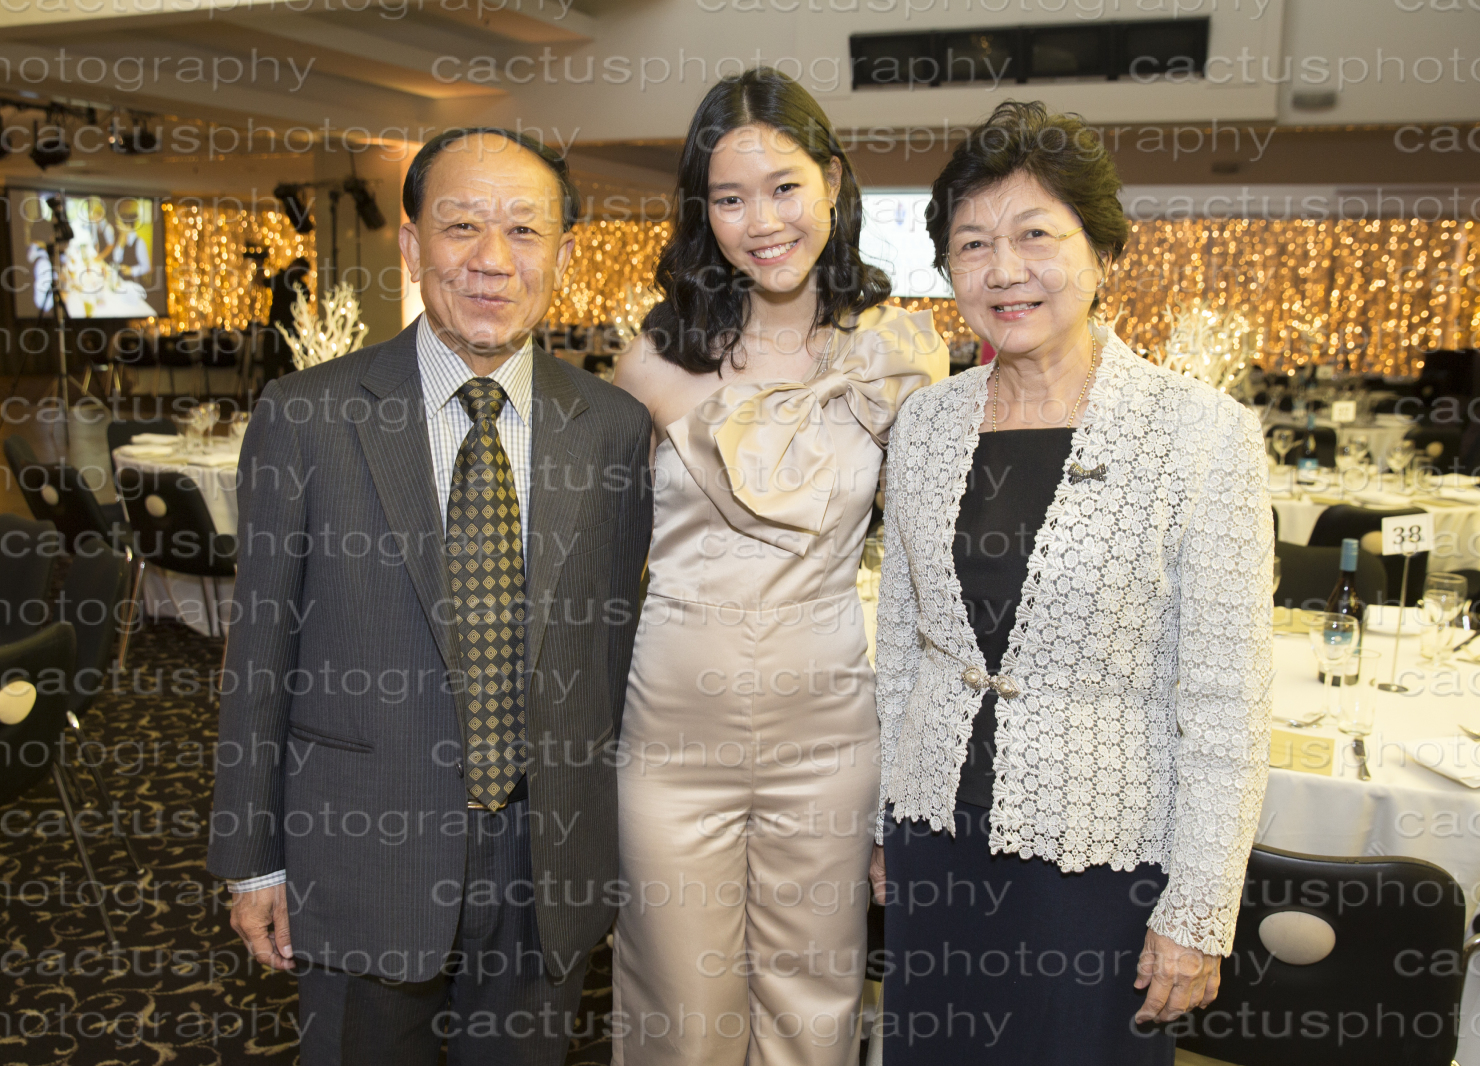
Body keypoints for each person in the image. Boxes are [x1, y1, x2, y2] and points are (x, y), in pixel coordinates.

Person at [208, 128, 655, 1066]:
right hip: (361, 847)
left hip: (545, 859)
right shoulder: (307, 415)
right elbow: (258, 658)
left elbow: (611, 653)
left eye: (525, 230)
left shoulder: (613, 428)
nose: (493, 259)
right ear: (412, 246)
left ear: (564, 253)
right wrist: (252, 858)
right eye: (461, 226)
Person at [870, 101, 1272, 1064]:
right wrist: (886, 820)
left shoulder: (1199, 433)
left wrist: (1200, 910)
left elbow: (1227, 699)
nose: (1003, 269)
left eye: (1035, 235)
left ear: (1101, 251)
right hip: (937, 841)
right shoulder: (926, 424)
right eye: (972, 245)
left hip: (1101, 859)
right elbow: (902, 653)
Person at [610, 68, 947, 1065]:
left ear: (832, 181)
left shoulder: (896, 356)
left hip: (828, 732)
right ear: (701, 210)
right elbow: (601, 564)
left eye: (785, 186)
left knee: (815, 1002)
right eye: (729, 197)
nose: (762, 221)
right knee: (681, 1012)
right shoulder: (651, 360)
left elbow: (929, 584)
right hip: (672, 733)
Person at [253, 255, 312, 379]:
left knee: (271, 368)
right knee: (290, 370)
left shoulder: (282, 279)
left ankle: (272, 391)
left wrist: (259, 265)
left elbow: (260, 282)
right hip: (291, 330)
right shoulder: (301, 286)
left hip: (275, 328)